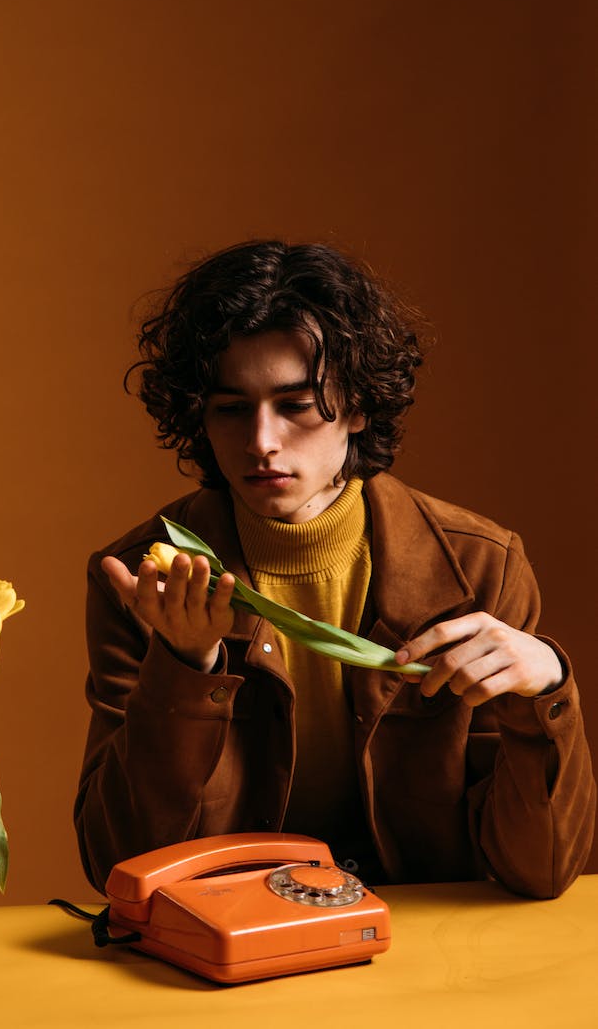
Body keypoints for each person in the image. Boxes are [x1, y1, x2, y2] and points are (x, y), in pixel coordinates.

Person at [74, 240, 595, 899]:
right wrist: (184, 667)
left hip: (426, 951)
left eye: (294, 404)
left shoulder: (478, 565)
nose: (261, 441)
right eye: (231, 408)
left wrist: (543, 692)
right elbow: (116, 866)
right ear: (197, 415)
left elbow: (540, 870)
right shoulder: (140, 578)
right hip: (230, 948)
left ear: (356, 405)